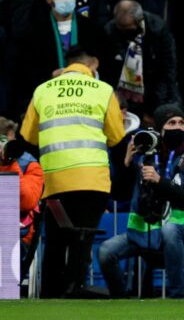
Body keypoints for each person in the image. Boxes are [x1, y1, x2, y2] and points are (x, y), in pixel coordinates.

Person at [20, 47, 125, 298]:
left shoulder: (43, 90)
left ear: (66, 65)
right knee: (82, 237)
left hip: (54, 179)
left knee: (55, 239)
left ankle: (49, 294)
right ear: (93, 64)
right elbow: (116, 137)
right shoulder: (103, 90)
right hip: (92, 179)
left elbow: (28, 136)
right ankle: (74, 287)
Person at [99, 103, 184, 298]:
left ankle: (175, 297)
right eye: (171, 123)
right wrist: (126, 164)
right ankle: (121, 299)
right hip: (145, 232)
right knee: (106, 251)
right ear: (160, 129)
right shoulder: (147, 157)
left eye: (181, 123)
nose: (177, 127)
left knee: (170, 230)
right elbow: (119, 196)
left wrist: (160, 182)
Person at [17, 0, 108, 109]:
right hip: (49, 100)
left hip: (87, 97)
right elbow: (25, 71)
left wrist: (92, 71)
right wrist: (50, 76)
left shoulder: (93, 29)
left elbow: (106, 63)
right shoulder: (34, 32)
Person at [104, 0, 180, 120]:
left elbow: (168, 69)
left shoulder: (158, 29)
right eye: (119, 27)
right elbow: (107, 71)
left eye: (126, 28)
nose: (122, 31)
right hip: (123, 90)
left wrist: (157, 107)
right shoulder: (110, 30)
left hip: (155, 85)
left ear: (139, 22)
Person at [0, 117, 43, 248]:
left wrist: (8, 164)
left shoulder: (30, 164)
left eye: (11, 143)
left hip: (15, 236)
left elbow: (26, 201)